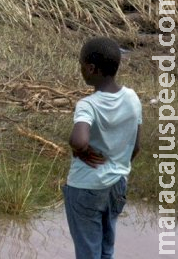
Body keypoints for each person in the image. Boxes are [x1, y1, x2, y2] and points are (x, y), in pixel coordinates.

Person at [64, 37, 142, 259]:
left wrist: (79, 150)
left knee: (88, 251)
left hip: (85, 187)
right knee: (106, 249)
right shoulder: (132, 98)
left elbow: (79, 139)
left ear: (91, 68)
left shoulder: (88, 105)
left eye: (81, 65)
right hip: (117, 185)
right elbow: (136, 147)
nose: (81, 70)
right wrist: (118, 165)